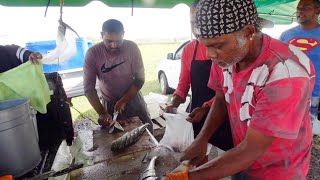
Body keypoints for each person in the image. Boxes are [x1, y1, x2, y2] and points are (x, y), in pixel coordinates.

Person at [166, 0, 314, 179]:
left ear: (248, 32)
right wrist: (202, 138)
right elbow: (221, 98)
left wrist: (187, 177)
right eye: (205, 45)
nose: (210, 54)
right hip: (240, 160)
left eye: (217, 45)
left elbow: (251, 150)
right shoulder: (225, 57)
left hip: (279, 170)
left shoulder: (286, 72)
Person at [165, 0, 233, 152]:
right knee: (199, 154)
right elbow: (183, 84)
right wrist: (174, 103)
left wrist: (207, 107)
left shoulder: (227, 47)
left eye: (202, 21)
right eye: (193, 22)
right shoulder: (189, 50)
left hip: (223, 111)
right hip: (197, 113)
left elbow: (229, 89)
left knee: (226, 156)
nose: (197, 27)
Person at [83, 19, 153, 133]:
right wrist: (102, 113)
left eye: (118, 41)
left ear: (123, 34)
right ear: (101, 35)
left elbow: (140, 79)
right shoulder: (93, 54)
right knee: (114, 137)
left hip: (133, 98)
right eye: (109, 41)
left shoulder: (132, 48)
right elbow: (88, 89)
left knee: (146, 133)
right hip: (109, 103)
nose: (114, 45)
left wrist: (124, 100)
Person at [280, 0, 320, 135]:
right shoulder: (286, 34)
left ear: (317, 11)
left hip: (314, 93)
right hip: (287, 91)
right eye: (298, 8)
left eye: (306, 8)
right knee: (284, 131)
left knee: (305, 133)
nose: (300, 11)